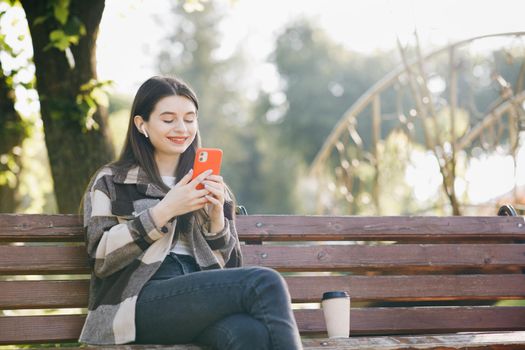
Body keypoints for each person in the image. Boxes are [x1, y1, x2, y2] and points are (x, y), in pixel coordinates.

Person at [78, 76, 303, 350]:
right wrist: (165, 210)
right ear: (142, 124)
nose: (181, 128)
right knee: (265, 282)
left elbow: (231, 270)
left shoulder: (208, 181)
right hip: (137, 302)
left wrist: (216, 218)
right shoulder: (112, 180)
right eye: (168, 119)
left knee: (249, 333)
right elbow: (101, 256)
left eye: (189, 118)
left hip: (198, 297)